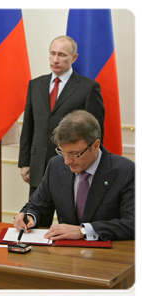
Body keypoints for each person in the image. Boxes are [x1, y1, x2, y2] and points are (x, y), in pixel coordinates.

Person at [14, 110, 138, 241]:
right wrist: (29, 215)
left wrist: (84, 230)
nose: (67, 161)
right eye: (62, 152)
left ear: (95, 146)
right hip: (66, 255)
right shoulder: (56, 165)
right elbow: (38, 205)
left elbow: (135, 223)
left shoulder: (127, 172)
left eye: (74, 153)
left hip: (109, 255)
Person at [19, 35, 105, 198]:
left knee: (69, 220)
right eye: (52, 53)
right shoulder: (35, 84)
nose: (55, 59)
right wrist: (25, 162)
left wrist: (91, 167)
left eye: (62, 55)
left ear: (74, 58)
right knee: (36, 218)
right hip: (38, 166)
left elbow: (96, 133)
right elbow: (29, 126)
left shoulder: (88, 88)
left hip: (72, 167)